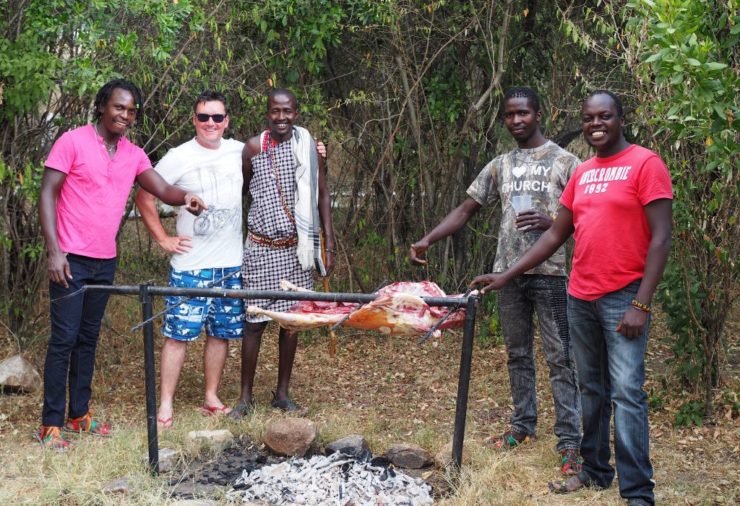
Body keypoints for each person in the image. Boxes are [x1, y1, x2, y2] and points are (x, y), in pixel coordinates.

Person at [471, 90, 672, 506]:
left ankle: (638, 493)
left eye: (604, 117)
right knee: (593, 390)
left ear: (620, 118)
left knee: (627, 393)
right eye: (588, 119)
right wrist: (505, 275)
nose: (595, 125)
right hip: (580, 296)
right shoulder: (583, 174)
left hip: (624, 297)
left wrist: (642, 303)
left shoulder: (645, 163)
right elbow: (555, 234)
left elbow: (661, 238)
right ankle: (596, 471)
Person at [410, 86, 583, 475]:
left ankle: (570, 441)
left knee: (561, 358)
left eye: (523, 113)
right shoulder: (500, 165)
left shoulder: (566, 162)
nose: (517, 120)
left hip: (551, 275)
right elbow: (467, 208)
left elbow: (585, 220)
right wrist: (428, 238)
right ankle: (523, 426)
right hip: (505, 277)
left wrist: (553, 223)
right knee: (517, 354)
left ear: (539, 114)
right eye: (510, 114)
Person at [38, 79, 206, 450]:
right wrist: (54, 251)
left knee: (88, 339)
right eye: (119, 108)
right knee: (64, 340)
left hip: (103, 261)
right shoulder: (72, 141)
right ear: (102, 107)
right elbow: (47, 193)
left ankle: (79, 416)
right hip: (70, 259)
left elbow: (162, 189)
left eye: (131, 111)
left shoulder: (133, 154)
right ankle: (50, 424)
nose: (125, 116)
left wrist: (187, 197)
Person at [135, 91, 244, 429]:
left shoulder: (240, 151)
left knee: (220, 333)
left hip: (231, 262)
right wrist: (162, 238)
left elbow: (279, 159)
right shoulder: (177, 156)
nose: (210, 123)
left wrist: (316, 153)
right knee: (178, 334)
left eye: (217, 117)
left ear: (226, 120)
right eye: (203, 117)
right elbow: (144, 196)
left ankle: (211, 396)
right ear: (194, 120)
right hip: (191, 264)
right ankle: (165, 404)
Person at [230, 88, 335, 418]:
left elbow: (321, 194)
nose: (281, 117)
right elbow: (244, 190)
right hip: (261, 247)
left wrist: (328, 243)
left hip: (296, 250)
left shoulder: (308, 147)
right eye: (275, 111)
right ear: (267, 113)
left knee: (291, 324)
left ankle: (282, 393)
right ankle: (245, 399)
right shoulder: (253, 148)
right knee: (255, 323)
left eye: (287, 111)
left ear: (297, 113)